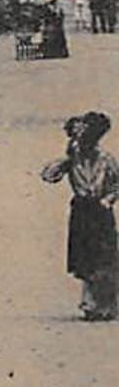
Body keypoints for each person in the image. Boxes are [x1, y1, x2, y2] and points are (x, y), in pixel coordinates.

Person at [40, 112, 118, 321]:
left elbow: (117, 184)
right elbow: (48, 176)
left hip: (100, 211)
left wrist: (108, 199)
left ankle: (106, 304)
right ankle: (91, 303)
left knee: (104, 257)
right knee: (86, 257)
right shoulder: (73, 159)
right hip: (82, 210)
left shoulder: (106, 160)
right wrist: (63, 162)